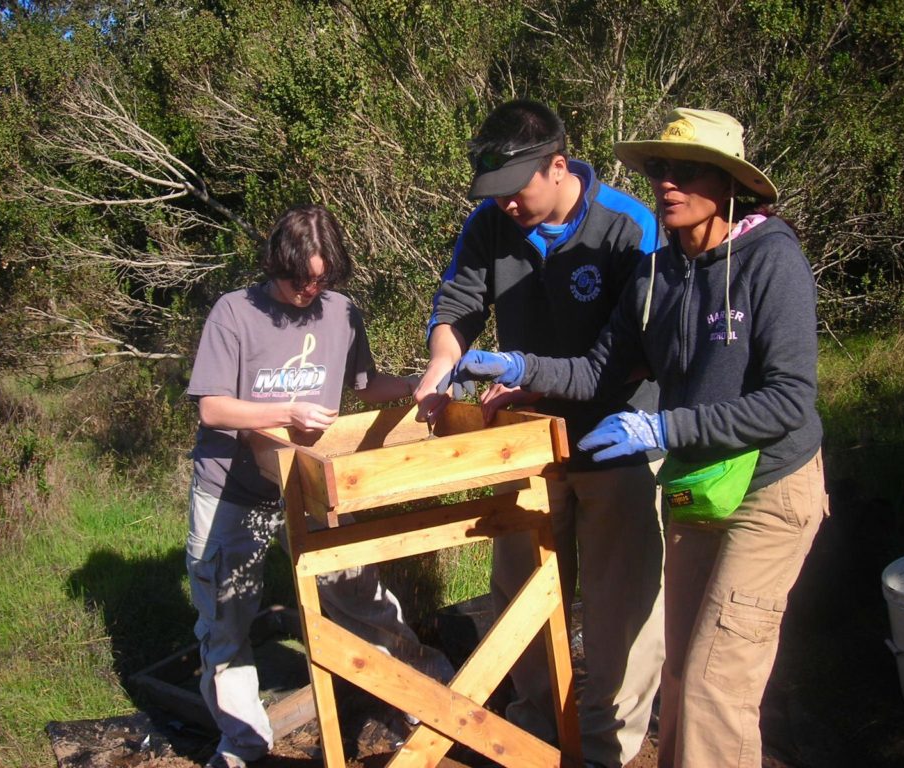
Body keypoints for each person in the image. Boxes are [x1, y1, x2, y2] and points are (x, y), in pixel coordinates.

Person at [451, 108, 829, 768]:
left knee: (714, 688)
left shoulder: (772, 261)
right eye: (659, 168)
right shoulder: (658, 274)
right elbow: (597, 369)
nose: (667, 183)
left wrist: (661, 426)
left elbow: (790, 401)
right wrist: (519, 367)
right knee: (681, 678)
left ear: (729, 184)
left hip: (767, 488)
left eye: (687, 171)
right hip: (698, 485)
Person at [413, 99, 665, 768]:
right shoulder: (491, 224)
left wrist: (534, 380)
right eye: (493, 193)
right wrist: (441, 368)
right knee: (522, 594)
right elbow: (456, 307)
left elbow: (640, 352)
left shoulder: (629, 228)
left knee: (620, 611)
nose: (505, 205)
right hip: (526, 446)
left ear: (558, 166)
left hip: (618, 443)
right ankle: (533, 734)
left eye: (514, 189)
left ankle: (607, 749)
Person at [186, 204, 454, 768]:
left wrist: (418, 385)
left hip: (312, 485)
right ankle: (243, 743)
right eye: (300, 280)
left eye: (322, 279)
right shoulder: (234, 313)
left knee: (358, 593)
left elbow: (364, 384)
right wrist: (286, 411)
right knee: (225, 619)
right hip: (232, 488)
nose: (310, 290)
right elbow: (213, 407)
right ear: (276, 264)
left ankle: (425, 691)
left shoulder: (341, 312)